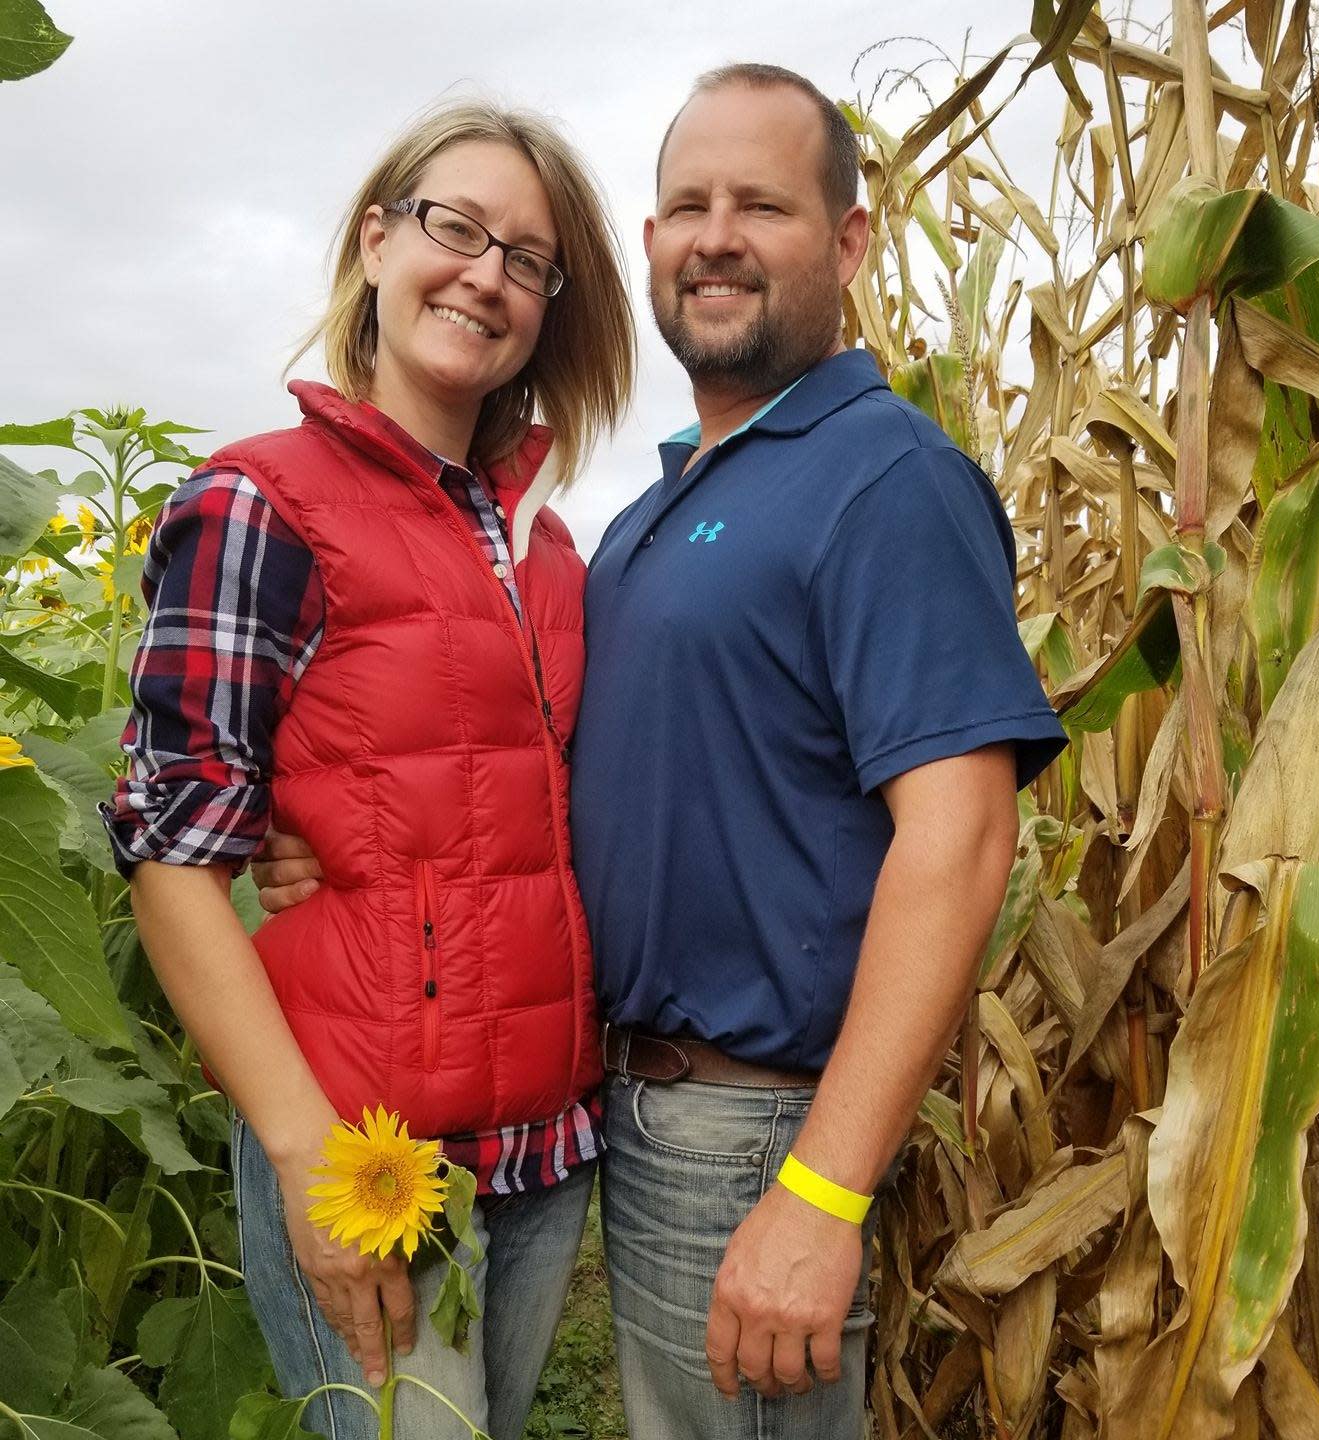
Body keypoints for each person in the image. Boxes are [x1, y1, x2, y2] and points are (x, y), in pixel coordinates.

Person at [258, 63, 1067, 1440]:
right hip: (625, 1120)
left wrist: (822, 1193)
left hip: (756, 1137)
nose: (717, 237)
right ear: (648, 243)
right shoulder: (649, 514)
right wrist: (333, 847)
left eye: (764, 205)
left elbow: (964, 834)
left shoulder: (887, 479)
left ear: (849, 242)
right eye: (689, 206)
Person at [105, 99, 635, 1440]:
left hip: (538, 1152)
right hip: (367, 1157)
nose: (487, 276)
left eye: (529, 260)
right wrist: (302, 1157)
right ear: (377, 240)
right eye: (456, 228)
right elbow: (171, 859)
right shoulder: (257, 505)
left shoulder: (548, 550)